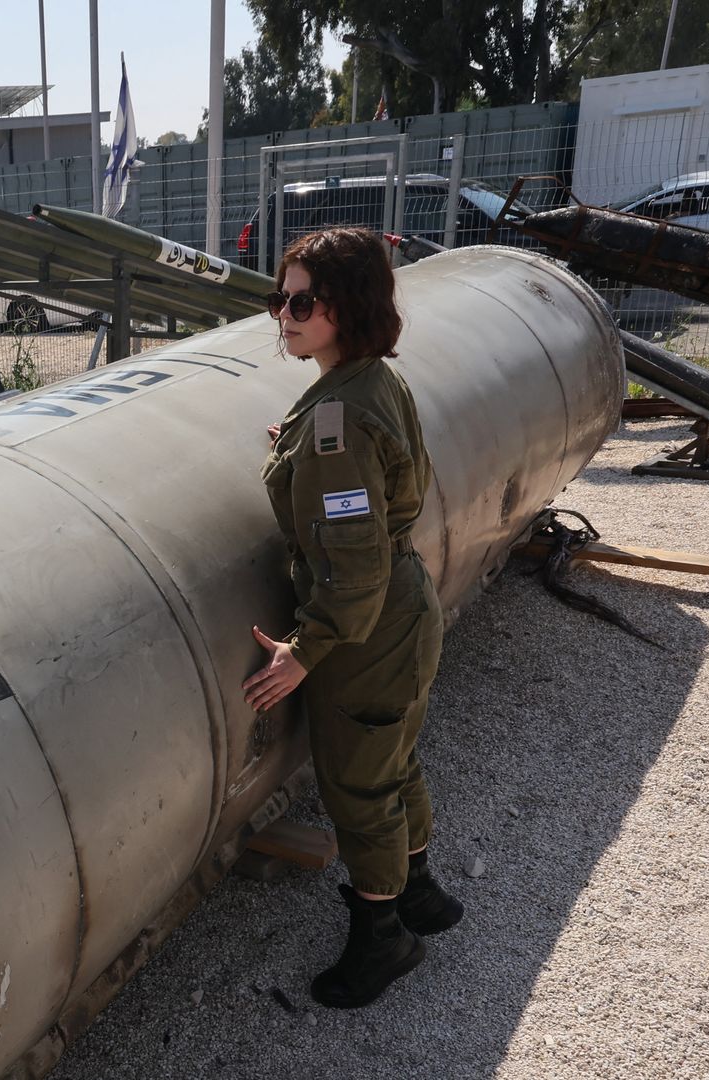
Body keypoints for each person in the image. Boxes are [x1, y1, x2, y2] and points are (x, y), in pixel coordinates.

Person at [240, 226, 464, 1009]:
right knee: (394, 761)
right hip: (401, 614)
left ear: (349, 306)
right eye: (280, 297)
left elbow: (354, 563)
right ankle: (420, 893)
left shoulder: (338, 422)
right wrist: (300, 452)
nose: (284, 314)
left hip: (365, 631)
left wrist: (305, 650)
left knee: (358, 788)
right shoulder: (369, 380)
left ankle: (384, 938)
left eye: (302, 301)